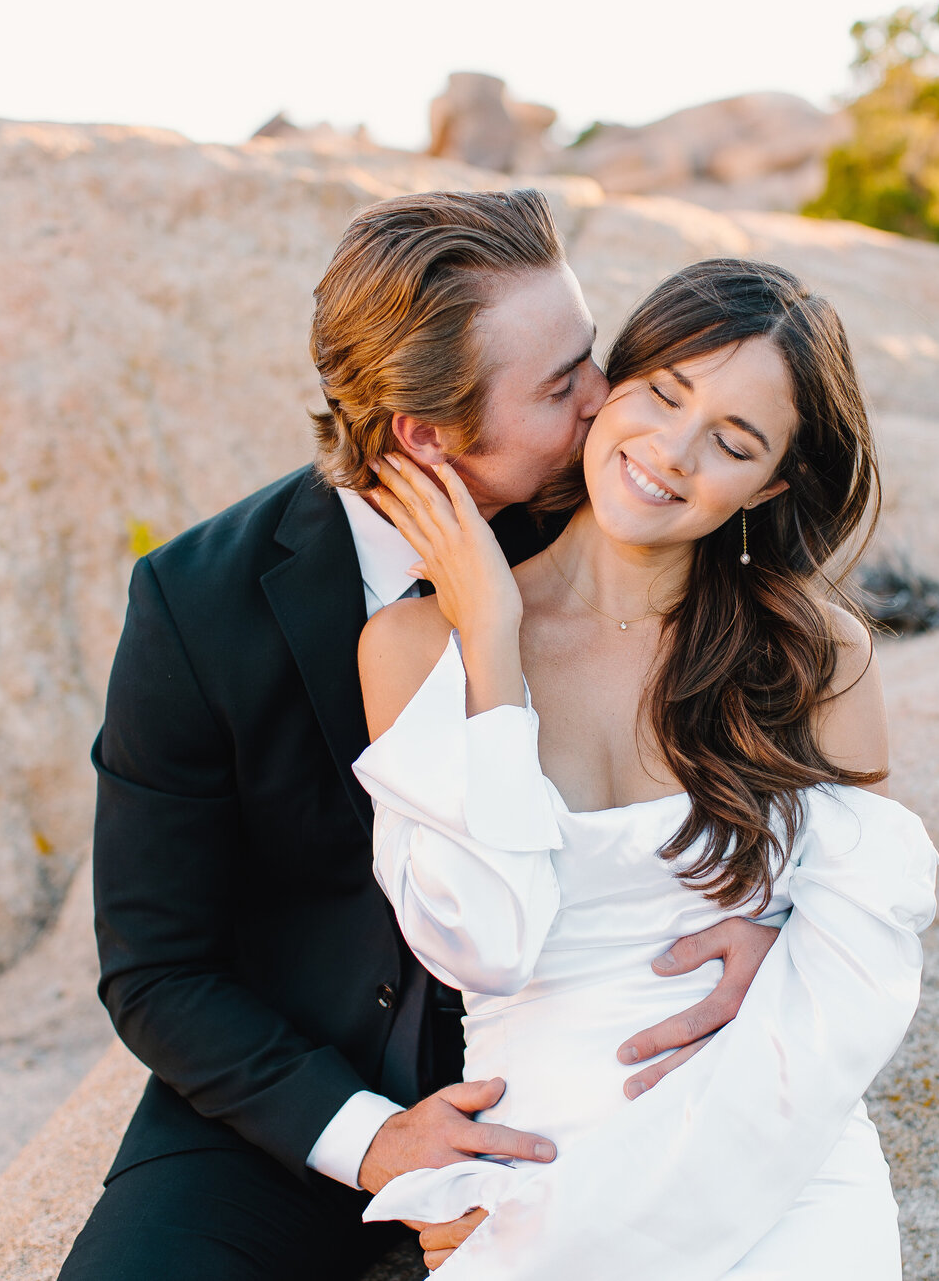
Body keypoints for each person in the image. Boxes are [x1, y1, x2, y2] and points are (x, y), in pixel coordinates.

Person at [59, 191, 779, 1280]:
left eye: (589, 356)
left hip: (572, 1091)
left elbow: (780, 714)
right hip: (286, 1121)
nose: (606, 402)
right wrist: (374, 1140)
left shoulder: (623, 515)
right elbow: (157, 969)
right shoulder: (195, 606)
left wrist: (783, 926)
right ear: (425, 434)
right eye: (560, 385)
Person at [352, 257, 939, 1277]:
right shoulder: (414, 646)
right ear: (609, 383)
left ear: (775, 483)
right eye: (664, 392)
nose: (672, 451)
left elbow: (870, 917)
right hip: (544, 1173)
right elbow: (483, 945)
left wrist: (779, 930)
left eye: (734, 441)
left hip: (783, 1159)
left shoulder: (814, 655)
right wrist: (490, 642)